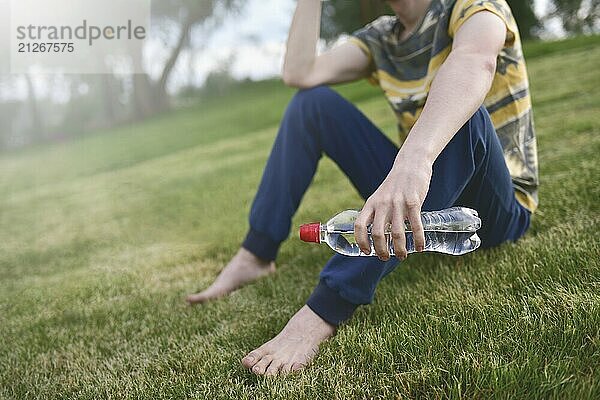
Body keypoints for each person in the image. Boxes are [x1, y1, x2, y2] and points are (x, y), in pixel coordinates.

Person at [187, 0, 539, 376]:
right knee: (313, 103)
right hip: (421, 201)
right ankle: (256, 254)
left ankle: (325, 309)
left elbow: (474, 61)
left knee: (468, 117)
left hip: (492, 209)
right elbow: (300, 72)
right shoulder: (383, 38)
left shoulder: (474, 6)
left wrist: (413, 160)